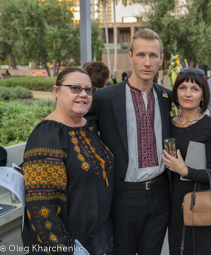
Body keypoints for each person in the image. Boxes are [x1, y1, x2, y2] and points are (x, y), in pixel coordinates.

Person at [86, 28, 171, 255]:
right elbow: (80, 126)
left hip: (161, 195)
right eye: (141, 55)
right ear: (130, 56)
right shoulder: (105, 98)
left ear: (161, 60)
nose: (147, 62)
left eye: (153, 55)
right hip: (123, 197)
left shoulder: (166, 97)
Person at [21, 67, 114, 255]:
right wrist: (65, 250)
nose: (83, 94)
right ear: (56, 91)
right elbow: (42, 207)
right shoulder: (47, 136)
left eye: (88, 90)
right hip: (70, 244)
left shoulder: (87, 127)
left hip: (99, 239)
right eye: (75, 88)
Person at [162, 68, 211, 255]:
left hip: (200, 207)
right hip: (172, 209)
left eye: (195, 89)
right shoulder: (167, 124)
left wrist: (185, 170)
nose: (188, 93)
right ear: (175, 92)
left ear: (203, 95)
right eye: (183, 87)